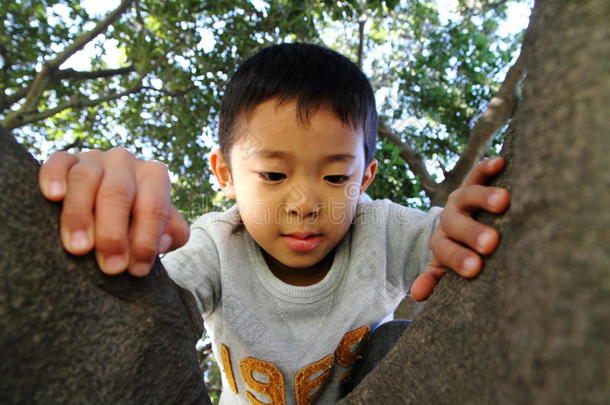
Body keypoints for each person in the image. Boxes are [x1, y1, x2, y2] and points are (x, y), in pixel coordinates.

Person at [38, 43, 510, 404]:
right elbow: (154, 308)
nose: (303, 203)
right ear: (225, 175)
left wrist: (468, 226)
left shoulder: (381, 228)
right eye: (273, 175)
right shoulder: (216, 244)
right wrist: (112, 237)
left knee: (395, 340)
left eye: (334, 176)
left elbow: (450, 242)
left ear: (364, 178)